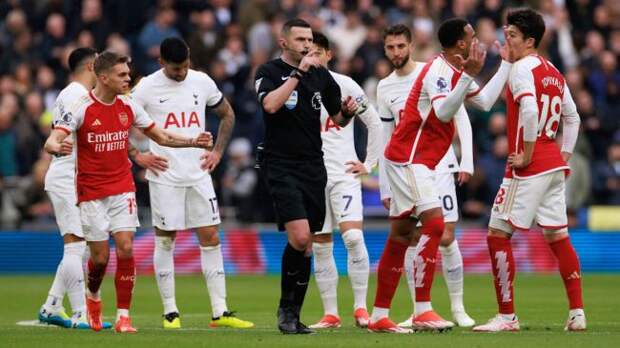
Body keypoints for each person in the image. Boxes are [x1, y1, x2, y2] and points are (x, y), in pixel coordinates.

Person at [43, 51, 213, 333]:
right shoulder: (81, 106)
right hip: (91, 191)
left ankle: (124, 316)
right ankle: (93, 298)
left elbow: (161, 136)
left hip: (122, 187)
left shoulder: (129, 105)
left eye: (128, 73)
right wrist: (53, 146)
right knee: (99, 259)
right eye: (122, 75)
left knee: (125, 247)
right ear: (104, 77)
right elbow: (54, 137)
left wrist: (194, 140)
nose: (128, 79)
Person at [368, 18, 513, 333]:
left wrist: (506, 64)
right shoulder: (436, 71)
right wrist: (469, 76)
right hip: (408, 158)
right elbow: (444, 111)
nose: (476, 40)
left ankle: (379, 315)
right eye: (472, 36)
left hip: (419, 161)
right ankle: (423, 309)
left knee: (400, 236)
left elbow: (486, 103)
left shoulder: (454, 72)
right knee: (435, 225)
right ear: (461, 43)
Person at [38, 47, 167, 330]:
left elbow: (112, 131)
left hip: (84, 176)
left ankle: (52, 305)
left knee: (86, 250)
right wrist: (55, 146)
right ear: (92, 68)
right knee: (76, 249)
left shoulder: (84, 96)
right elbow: (56, 138)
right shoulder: (77, 97)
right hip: (70, 177)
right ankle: (81, 313)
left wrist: (134, 154)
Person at [473, 8, 585, 332]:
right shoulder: (554, 71)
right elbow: (573, 117)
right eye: (506, 33)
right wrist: (562, 156)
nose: (506, 39)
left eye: (512, 36)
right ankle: (577, 313)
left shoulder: (522, 69)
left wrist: (527, 154)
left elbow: (532, 111)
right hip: (552, 165)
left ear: (530, 40)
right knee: (558, 236)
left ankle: (507, 317)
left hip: (529, 165)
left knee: (497, 234)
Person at [131, 37, 254, 330]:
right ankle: (170, 312)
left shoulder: (201, 81)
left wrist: (218, 153)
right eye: (175, 69)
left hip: (198, 173)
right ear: (162, 63)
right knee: (166, 238)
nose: (181, 73)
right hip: (165, 175)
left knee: (211, 237)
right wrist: (138, 156)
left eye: (185, 66)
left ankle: (220, 312)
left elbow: (227, 114)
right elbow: (119, 119)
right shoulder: (146, 87)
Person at [254, 18, 359, 334]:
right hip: (280, 163)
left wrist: (348, 112)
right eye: (300, 39)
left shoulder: (322, 75)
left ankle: (293, 316)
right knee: (299, 238)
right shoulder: (268, 72)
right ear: (284, 42)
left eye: (310, 39)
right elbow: (270, 105)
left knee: (307, 246)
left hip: (314, 165)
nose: (307, 45)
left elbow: (337, 119)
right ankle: (286, 313)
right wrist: (298, 73)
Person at [374, 24, 476, 330]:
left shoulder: (430, 72)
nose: (396, 52)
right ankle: (416, 310)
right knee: (412, 234)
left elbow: (458, 114)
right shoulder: (384, 87)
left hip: (440, 163)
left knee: (441, 234)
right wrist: (384, 183)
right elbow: (386, 136)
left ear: (411, 46)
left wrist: (465, 160)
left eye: (400, 46)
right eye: (390, 47)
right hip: (406, 164)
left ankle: (454, 307)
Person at [306, 32, 382, 330]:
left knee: (352, 237)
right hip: (312, 176)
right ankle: (330, 313)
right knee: (321, 244)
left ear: (328, 54)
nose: (311, 56)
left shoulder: (346, 84)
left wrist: (369, 164)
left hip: (343, 174)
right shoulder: (295, 86)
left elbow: (374, 123)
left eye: (316, 52)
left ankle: (361, 307)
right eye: (307, 52)